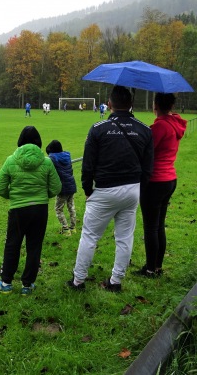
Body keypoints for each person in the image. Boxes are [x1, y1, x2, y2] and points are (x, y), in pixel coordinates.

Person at [68, 86, 153, 293]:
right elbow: (148, 167)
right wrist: (137, 186)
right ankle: (116, 281)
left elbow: (88, 164)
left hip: (105, 191)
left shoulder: (98, 128)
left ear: (109, 103)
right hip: (132, 190)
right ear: (131, 104)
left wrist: (88, 189)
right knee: (124, 237)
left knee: (89, 237)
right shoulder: (144, 129)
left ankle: (78, 280)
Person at [0, 126, 62, 296]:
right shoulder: (46, 162)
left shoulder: (11, 160)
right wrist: (43, 196)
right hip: (40, 210)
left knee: (12, 244)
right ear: (38, 142)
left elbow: (0, 188)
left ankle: (6, 282)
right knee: (34, 246)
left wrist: (15, 197)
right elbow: (56, 187)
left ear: (20, 141)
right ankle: (27, 285)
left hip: (18, 210)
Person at [138, 93, 187, 278]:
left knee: (151, 227)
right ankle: (157, 266)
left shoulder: (160, 126)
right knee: (158, 225)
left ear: (155, 105)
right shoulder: (174, 123)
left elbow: (145, 150)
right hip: (169, 178)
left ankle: (150, 269)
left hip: (155, 180)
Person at [46, 140, 77, 236]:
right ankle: (73, 227)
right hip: (71, 185)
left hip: (62, 188)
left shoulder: (53, 158)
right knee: (71, 207)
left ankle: (66, 229)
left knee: (58, 209)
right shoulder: (67, 156)